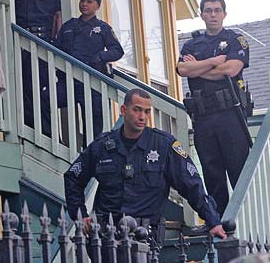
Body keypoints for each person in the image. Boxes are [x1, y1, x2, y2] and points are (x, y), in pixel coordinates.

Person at [64, 88, 226, 243]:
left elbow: (191, 185)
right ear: (123, 110)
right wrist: (80, 215)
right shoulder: (102, 146)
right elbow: (73, 177)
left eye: (147, 111)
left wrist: (213, 220)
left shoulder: (164, 145)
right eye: (137, 110)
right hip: (106, 235)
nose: (142, 116)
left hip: (146, 235)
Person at [177, 0, 251, 216]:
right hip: (203, 117)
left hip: (231, 114)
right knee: (211, 172)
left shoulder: (235, 39)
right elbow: (183, 70)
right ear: (201, 15)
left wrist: (199, 67)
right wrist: (212, 62)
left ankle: (243, 219)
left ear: (224, 14)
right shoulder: (192, 44)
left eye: (217, 10)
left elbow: (230, 70)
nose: (213, 14)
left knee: (238, 168)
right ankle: (219, 222)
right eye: (208, 10)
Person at [54, 0, 124, 140]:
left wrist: (100, 56)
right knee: (45, 99)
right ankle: (51, 137)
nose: (84, 4)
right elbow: (55, 49)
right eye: (82, 0)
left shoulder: (103, 28)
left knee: (93, 125)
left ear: (97, 6)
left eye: (89, 1)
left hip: (92, 83)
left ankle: (92, 155)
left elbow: (117, 50)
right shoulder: (68, 26)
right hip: (68, 81)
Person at [13, 0, 61, 134]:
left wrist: (55, 42)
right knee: (20, 86)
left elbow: (58, 13)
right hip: (19, 37)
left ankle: (47, 133)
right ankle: (28, 129)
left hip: (43, 41)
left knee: (41, 88)